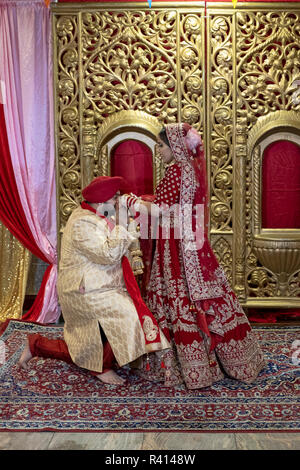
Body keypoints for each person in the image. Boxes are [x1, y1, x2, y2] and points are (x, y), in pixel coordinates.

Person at [121, 123, 265, 389]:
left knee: (178, 297)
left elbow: (162, 211)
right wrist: (146, 200)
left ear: (175, 147)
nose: (159, 150)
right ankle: (230, 358)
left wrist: (131, 203)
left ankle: (186, 364)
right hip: (186, 243)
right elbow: (172, 205)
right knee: (199, 296)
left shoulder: (176, 171)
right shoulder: (187, 170)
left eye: (162, 145)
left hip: (174, 247)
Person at [18, 176, 170, 385]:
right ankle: (99, 367)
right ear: (100, 202)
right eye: (114, 199)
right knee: (126, 319)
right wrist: (124, 226)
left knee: (93, 341)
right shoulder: (82, 222)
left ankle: (37, 345)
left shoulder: (99, 215)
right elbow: (107, 254)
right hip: (85, 290)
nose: (118, 203)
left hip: (102, 285)